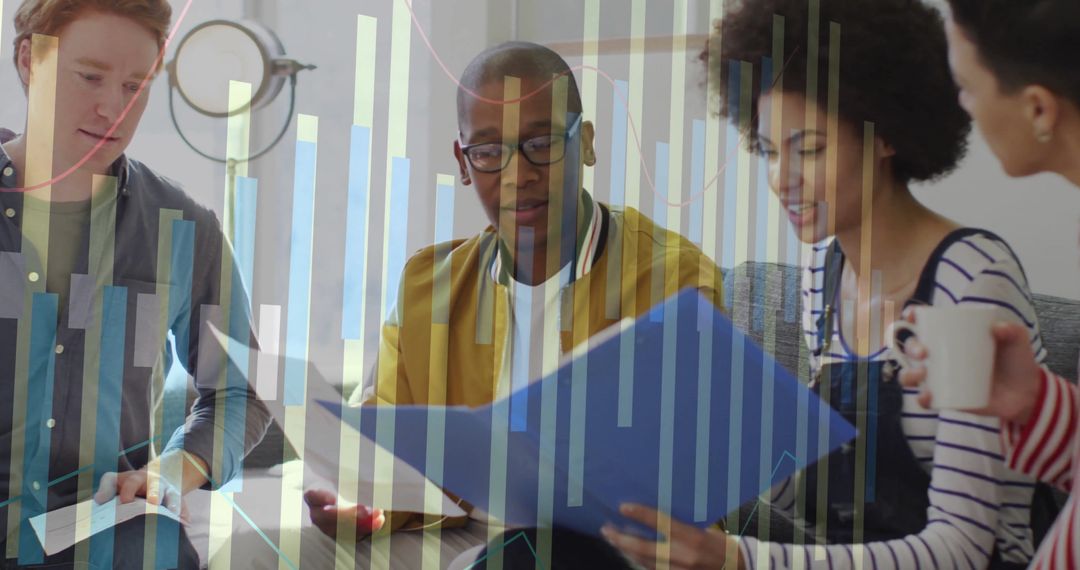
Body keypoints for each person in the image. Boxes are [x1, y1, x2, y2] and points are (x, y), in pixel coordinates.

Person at [224, 41, 725, 568]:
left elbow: (691, 463)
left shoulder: (672, 279)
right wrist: (365, 505)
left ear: (588, 143)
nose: (517, 174)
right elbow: (389, 442)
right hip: (460, 531)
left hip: (609, 547)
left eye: (542, 142)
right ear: (464, 163)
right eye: (488, 152)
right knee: (250, 553)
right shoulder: (428, 283)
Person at [600, 0, 1047, 568]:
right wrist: (725, 429)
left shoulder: (972, 279)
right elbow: (835, 511)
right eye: (768, 151)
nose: (782, 179)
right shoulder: (824, 273)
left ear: (886, 135)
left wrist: (741, 560)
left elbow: (963, 548)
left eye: (808, 149)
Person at [0, 1, 271, 567]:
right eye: (91, 76)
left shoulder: (183, 228)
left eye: (134, 86)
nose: (112, 109)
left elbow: (242, 391)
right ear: (30, 60)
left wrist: (171, 470)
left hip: (110, 543)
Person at [900, 1, 1080, 567]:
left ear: (1037, 107)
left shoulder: (974, 266)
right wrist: (1037, 402)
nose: (963, 106)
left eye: (968, 87)